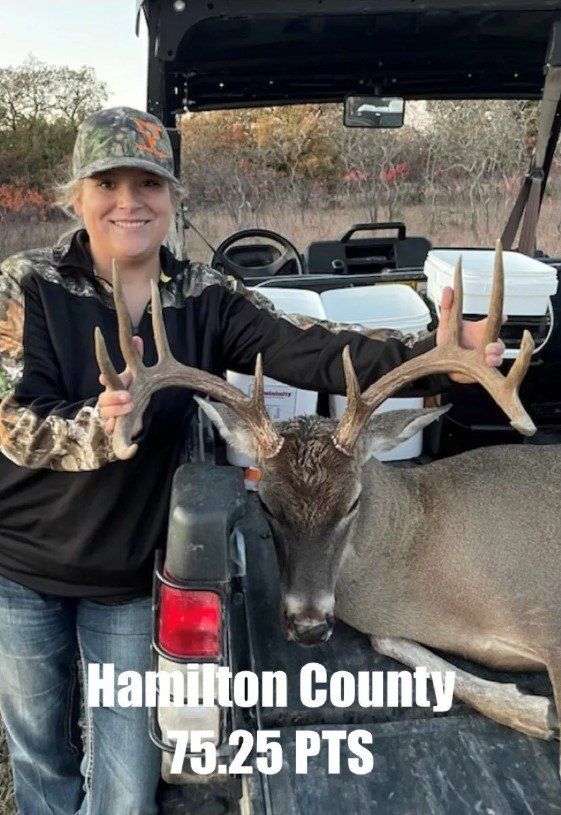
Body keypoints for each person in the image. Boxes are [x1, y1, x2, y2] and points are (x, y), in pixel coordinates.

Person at [0, 106, 505, 815]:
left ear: (172, 196)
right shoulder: (25, 284)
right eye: (107, 183)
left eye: (147, 182)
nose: (128, 201)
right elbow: (11, 421)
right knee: (41, 756)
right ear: (76, 196)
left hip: (126, 574)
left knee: (124, 783)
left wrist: (428, 357)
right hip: (21, 569)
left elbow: (310, 346)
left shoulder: (204, 296)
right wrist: (104, 426)